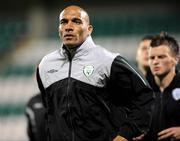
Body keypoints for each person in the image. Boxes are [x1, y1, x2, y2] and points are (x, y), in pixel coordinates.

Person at [36, 5, 155, 141]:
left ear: (89, 29)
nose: (68, 27)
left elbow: (145, 95)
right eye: (64, 22)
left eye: (76, 21)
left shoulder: (108, 60)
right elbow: (51, 111)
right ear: (59, 29)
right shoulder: (45, 65)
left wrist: (126, 133)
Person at [143, 32, 180, 141]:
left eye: (161, 57)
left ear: (176, 59)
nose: (155, 62)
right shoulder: (142, 89)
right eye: (152, 57)